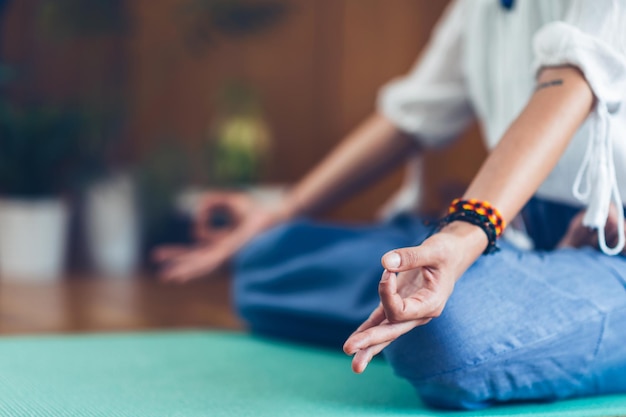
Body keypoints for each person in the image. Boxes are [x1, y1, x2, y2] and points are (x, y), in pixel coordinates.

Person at [155, 0, 626, 410]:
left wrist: (465, 231)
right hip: (517, 236)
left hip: (607, 249)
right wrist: (280, 210)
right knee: (265, 259)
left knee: (441, 333)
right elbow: (412, 115)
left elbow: (572, 78)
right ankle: (437, 305)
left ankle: (438, 314)